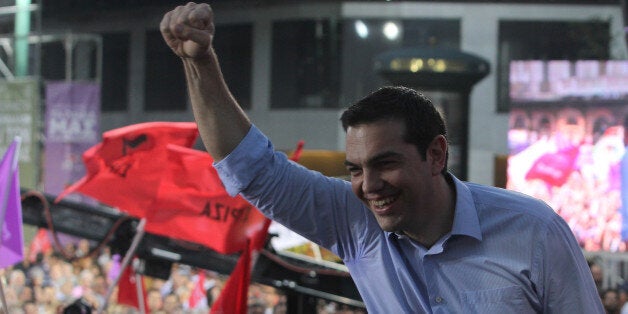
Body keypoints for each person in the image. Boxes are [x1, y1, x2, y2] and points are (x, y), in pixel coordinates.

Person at [159, 2, 604, 312]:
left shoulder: (534, 231)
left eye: (385, 163)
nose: (369, 186)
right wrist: (200, 63)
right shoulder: (355, 222)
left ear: (435, 154)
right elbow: (253, 169)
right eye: (355, 169)